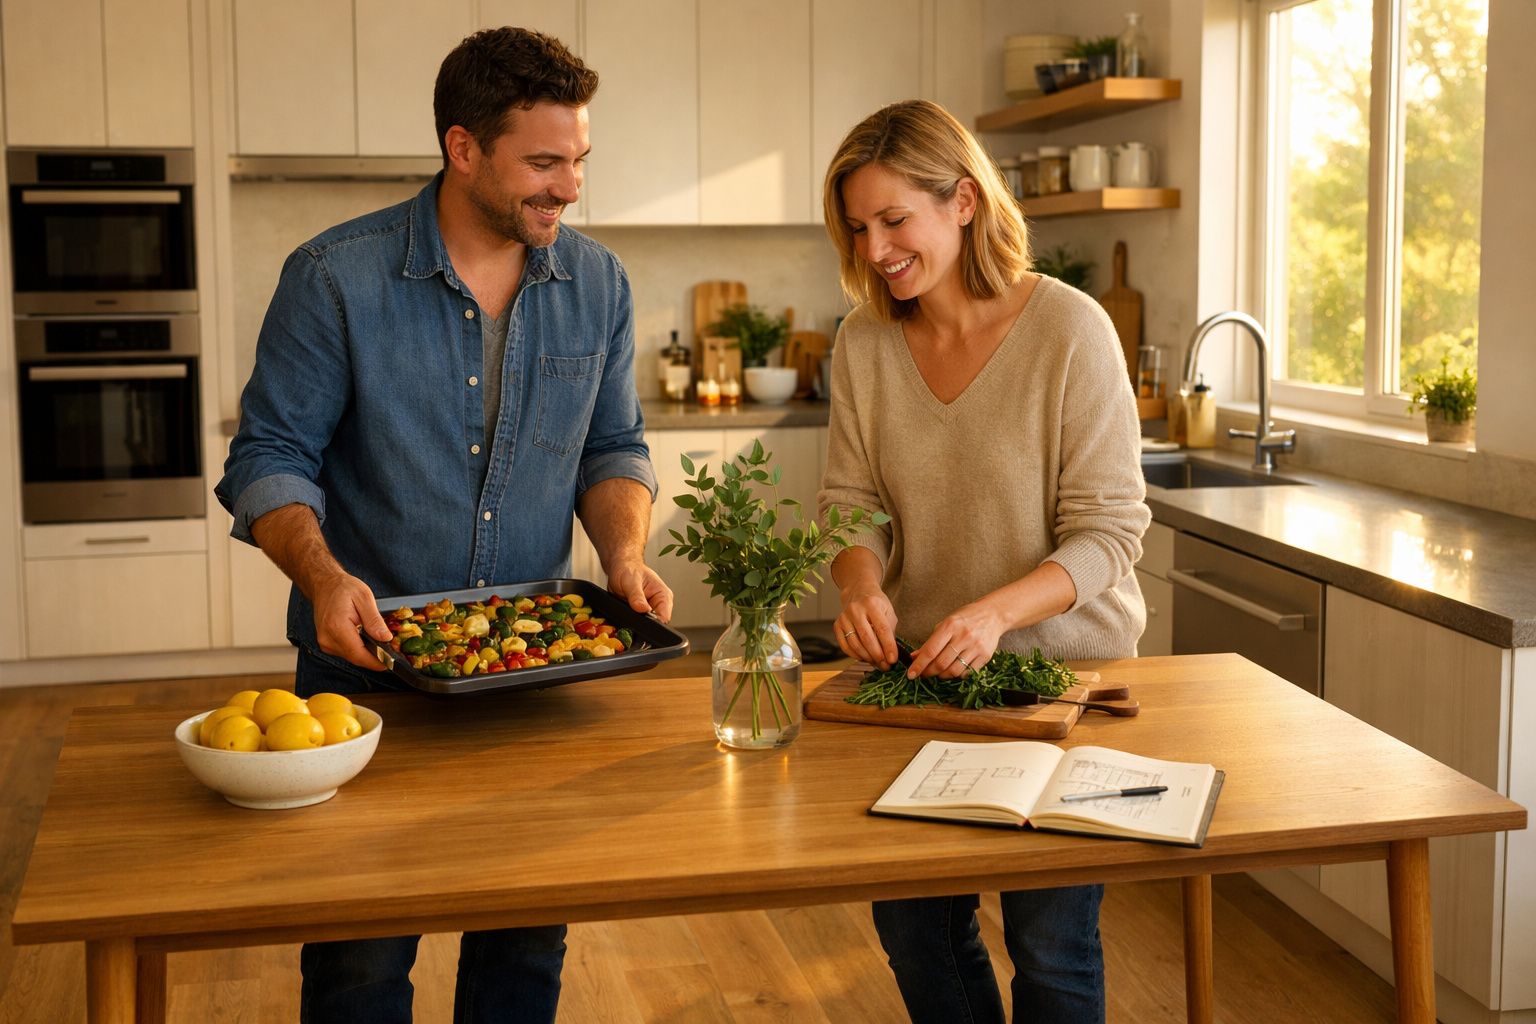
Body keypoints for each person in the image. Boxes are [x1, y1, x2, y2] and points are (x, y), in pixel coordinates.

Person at [216, 27, 673, 1024]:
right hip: (366, 672)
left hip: (531, 677)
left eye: (579, 161)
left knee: (523, 947)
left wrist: (625, 554)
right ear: (463, 148)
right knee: (360, 964)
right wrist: (326, 579)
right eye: (544, 163)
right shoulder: (335, 276)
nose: (570, 186)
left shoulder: (598, 285)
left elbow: (613, 448)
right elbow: (267, 459)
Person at [817, 99, 1150, 1023]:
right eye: (857, 226)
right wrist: (859, 583)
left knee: (1052, 943)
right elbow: (851, 505)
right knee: (917, 930)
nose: (875, 248)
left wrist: (997, 613)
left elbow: (1111, 532)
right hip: (918, 679)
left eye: (894, 219)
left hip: (1065, 683)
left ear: (963, 200)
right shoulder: (865, 342)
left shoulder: (1070, 330)